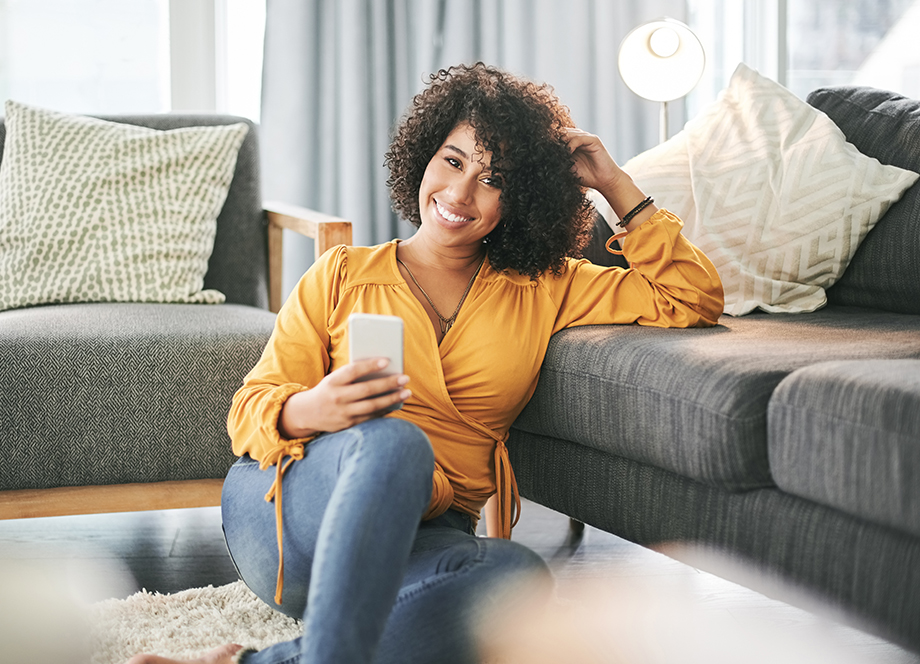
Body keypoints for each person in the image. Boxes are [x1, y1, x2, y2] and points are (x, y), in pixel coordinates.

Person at [130, 62, 724, 664]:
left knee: (516, 580)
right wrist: (315, 407)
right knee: (394, 445)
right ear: (424, 157)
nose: (461, 194)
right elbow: (248, 412)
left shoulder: (547, 285)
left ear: (519, 198)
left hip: (428, 537)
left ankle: (266, 660)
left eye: (493, 179)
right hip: (291, 510)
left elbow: (692, 298)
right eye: (454, 160)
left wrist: (615, 184)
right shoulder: (341, 275)